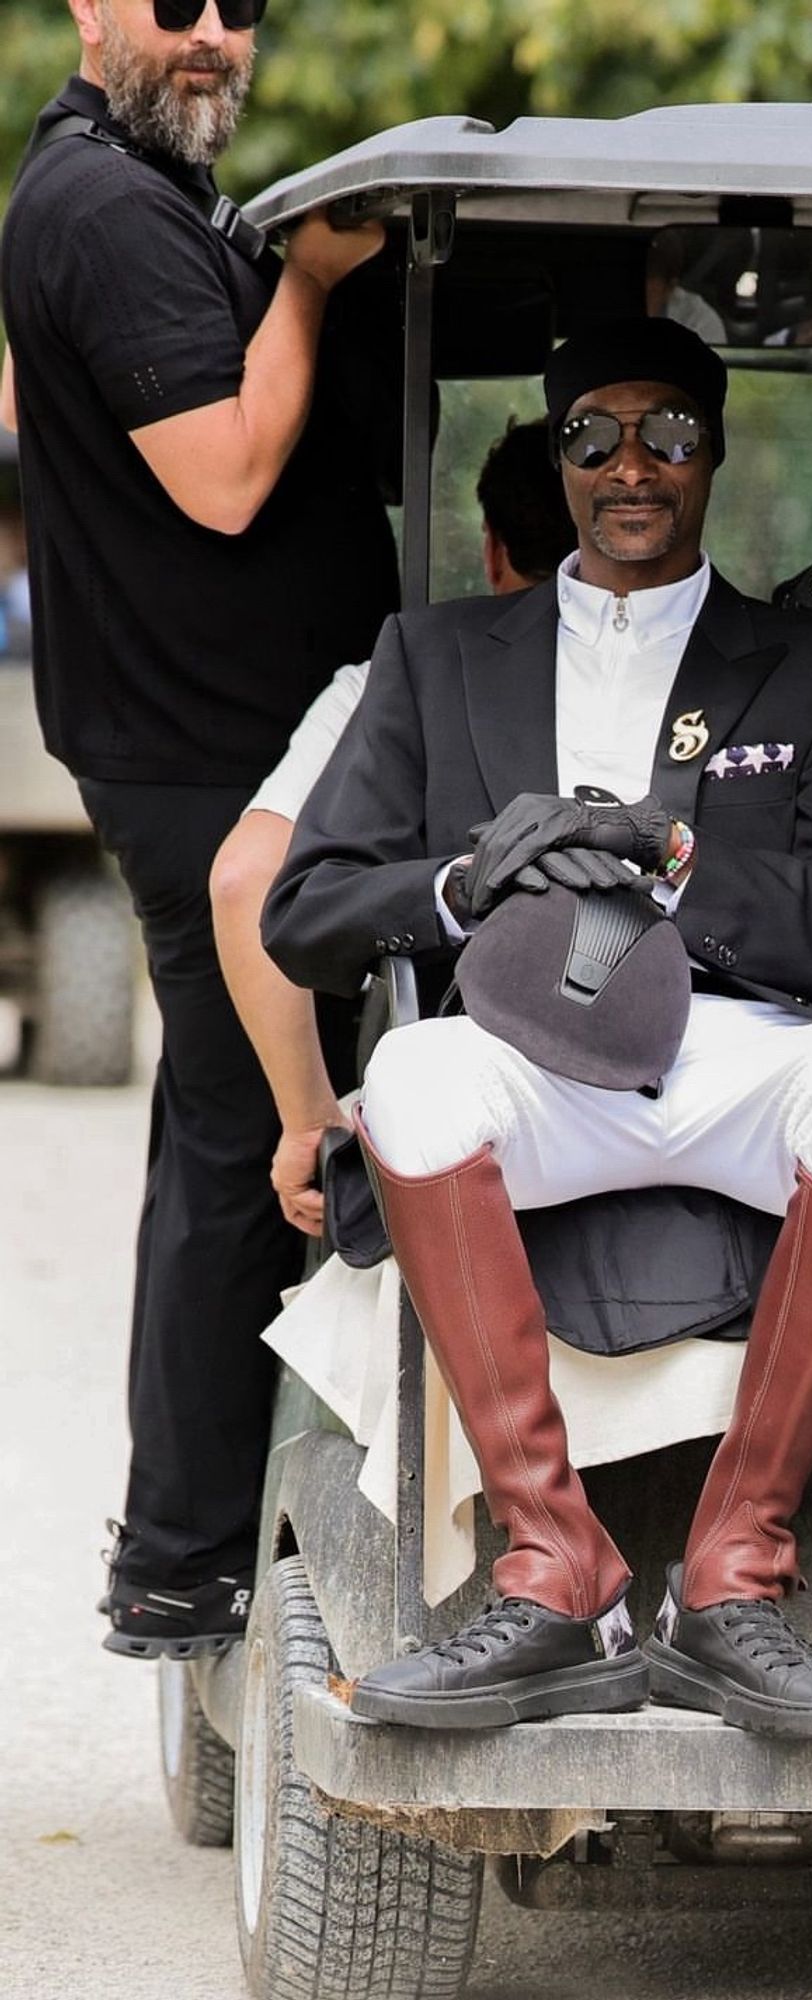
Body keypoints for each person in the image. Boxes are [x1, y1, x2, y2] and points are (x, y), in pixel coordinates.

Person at [263, 317, 812, 1740]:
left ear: (715, 451)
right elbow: (305, 911)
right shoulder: (438, 656)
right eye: (595, 436)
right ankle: (556, 1562)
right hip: (530, 1062)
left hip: (731, 1048)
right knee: (413, 1073)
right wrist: (464, 880)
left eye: (669, 435)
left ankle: (735, 1577)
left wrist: (678, 859)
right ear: (557, 456)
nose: (633, 466)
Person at [0, 0, 397, 1657]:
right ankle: (185, 1562)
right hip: (210, 771)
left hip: (224, 752)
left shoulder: (136, 198)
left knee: (228, 1135)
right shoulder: (100, 206)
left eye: (243, 7)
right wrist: (307, 281)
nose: (217, 34)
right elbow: (227, 474)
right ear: (95, 9)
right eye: (179, 6)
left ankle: (188, 1542)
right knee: (252, 1144)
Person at [210, 418, 576, 1237]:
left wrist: (311, 1119)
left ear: (491, 546)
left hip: (458, 1115)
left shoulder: (396, 677)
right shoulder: (711, 675)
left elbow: (244, 882)